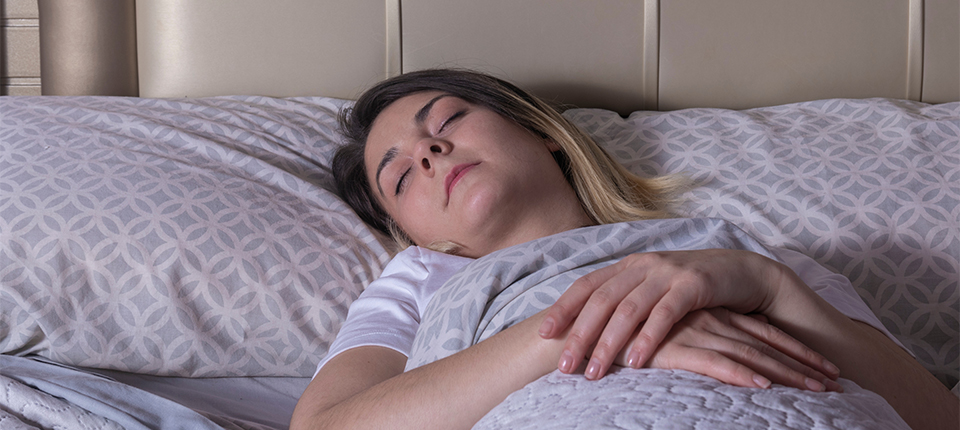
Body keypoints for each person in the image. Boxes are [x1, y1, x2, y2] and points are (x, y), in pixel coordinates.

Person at [291, 69, 957, 429]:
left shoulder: (734, 251)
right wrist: (586, 329)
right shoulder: (420, 277)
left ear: (541, 130)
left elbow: (935, 416)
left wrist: (770, 286)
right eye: (400, 177)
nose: (429, 152)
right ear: (413, 232)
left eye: (447, 119)